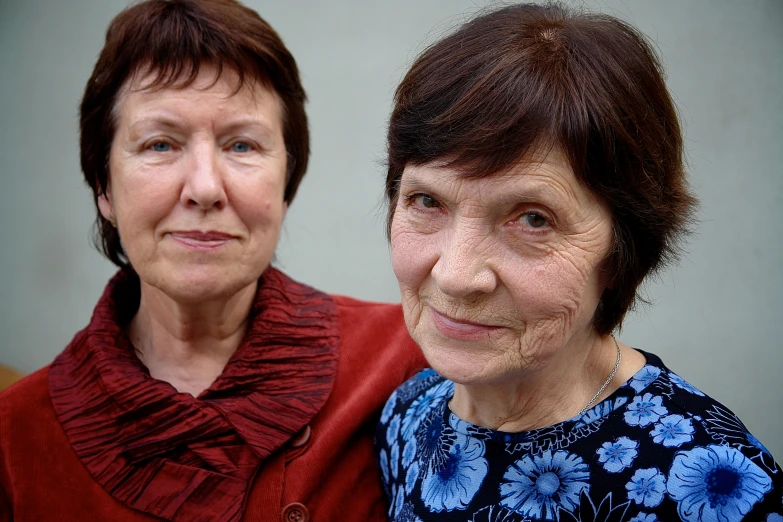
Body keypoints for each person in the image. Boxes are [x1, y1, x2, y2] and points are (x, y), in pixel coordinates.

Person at [0, 1, 425, 520]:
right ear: (103, 188)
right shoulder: (15, 436)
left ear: (286, 184)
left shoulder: (404, 366)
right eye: (160, 144)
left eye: (242, 145)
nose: (204, 188)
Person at [376, 3, 783, 521]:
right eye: (427, 201)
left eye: (532, 220)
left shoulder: (713, 486)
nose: (455, 275)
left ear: (621, 251)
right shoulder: (409, 415)